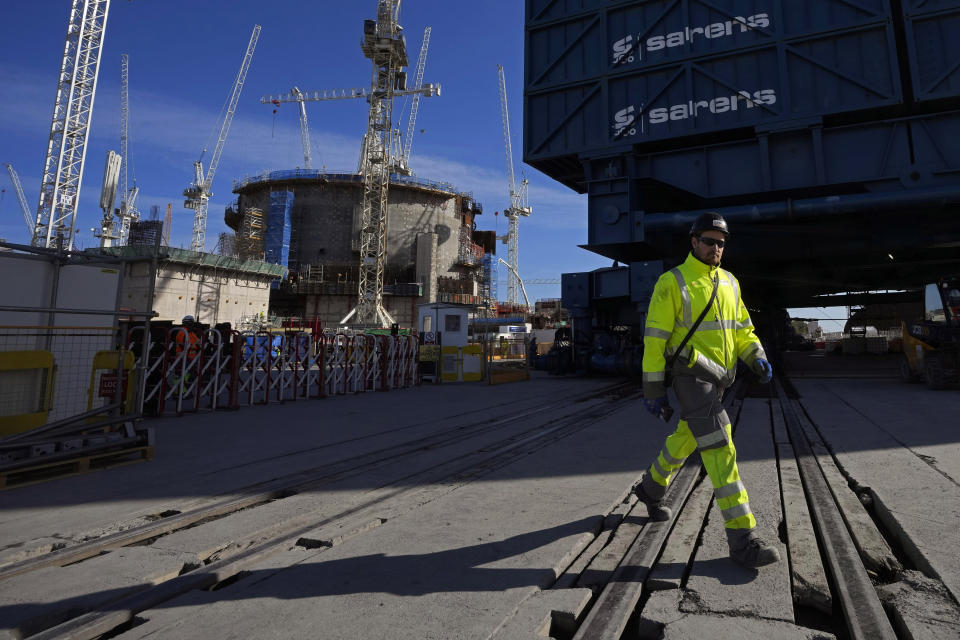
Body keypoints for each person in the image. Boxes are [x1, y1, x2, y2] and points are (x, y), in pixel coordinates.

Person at [636, 212, 780, 569]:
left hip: (719, 377)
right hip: (690, 375)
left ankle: (651, 488)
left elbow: (743, 328)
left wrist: (756, 355)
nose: (716, 248)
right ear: (693, 242)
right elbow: (654, 341)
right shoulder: (673, 282)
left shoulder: (730, 282)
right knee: (720, 445)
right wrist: (654, 389)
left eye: (721, 242)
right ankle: (742, 538)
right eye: (709, 241)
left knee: (686, 437)